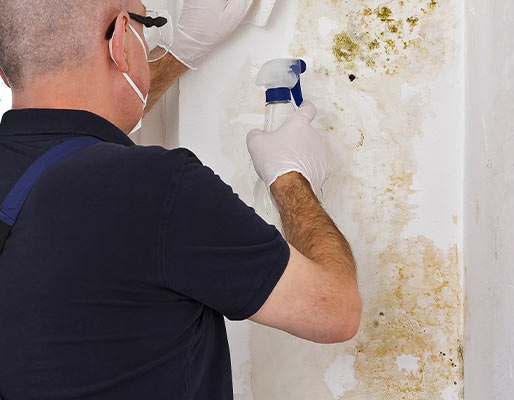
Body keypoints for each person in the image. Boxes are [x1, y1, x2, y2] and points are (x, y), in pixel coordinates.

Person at [0, 0, 362, 399]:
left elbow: (74, 143)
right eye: (147, 25)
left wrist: (179, 55)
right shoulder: (157, 187)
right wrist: (290, 178)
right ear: (121, 39)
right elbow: (335, 310)